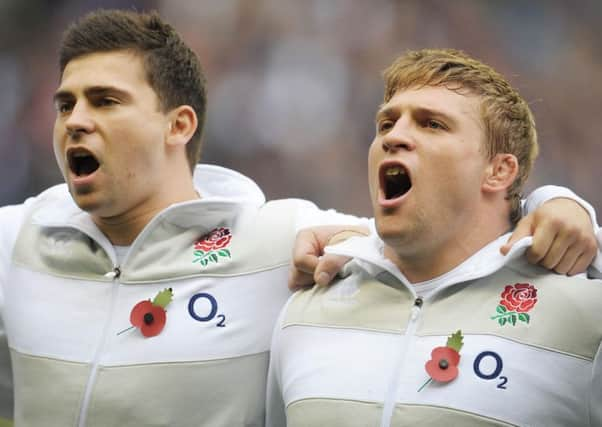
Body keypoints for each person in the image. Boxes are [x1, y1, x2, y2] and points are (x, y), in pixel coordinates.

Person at [0, 10, 598, 427]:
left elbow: (439, 243)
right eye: (64, 104)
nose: (75, 119)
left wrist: (558, 204)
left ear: (179, 125)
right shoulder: (15, 241)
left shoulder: (273, 241)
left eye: (104, 101)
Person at [266, 48, 602, 427]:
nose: (395, 137)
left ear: (498, 171)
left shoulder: (581, 315)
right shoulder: (306, 309)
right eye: (386, 124)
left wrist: (562, 203)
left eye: (432, 124)